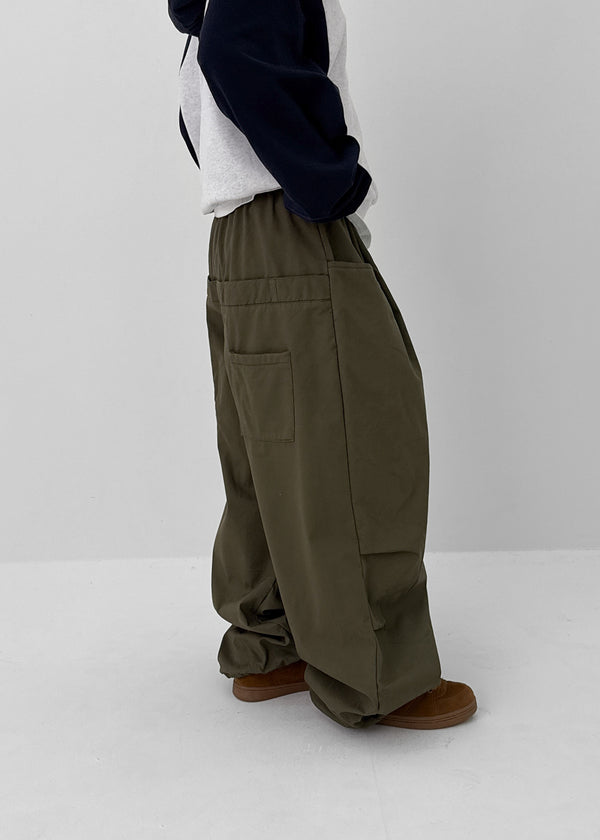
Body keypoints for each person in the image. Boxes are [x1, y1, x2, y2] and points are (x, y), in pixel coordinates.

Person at [167, 0, 477, 730]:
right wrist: (331, 181)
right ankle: (379, 673)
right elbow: (232, 58)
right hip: (291, 223)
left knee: (268, 459)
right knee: (356, 447)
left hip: (238, 233)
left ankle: (268, 644)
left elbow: (209, 72)